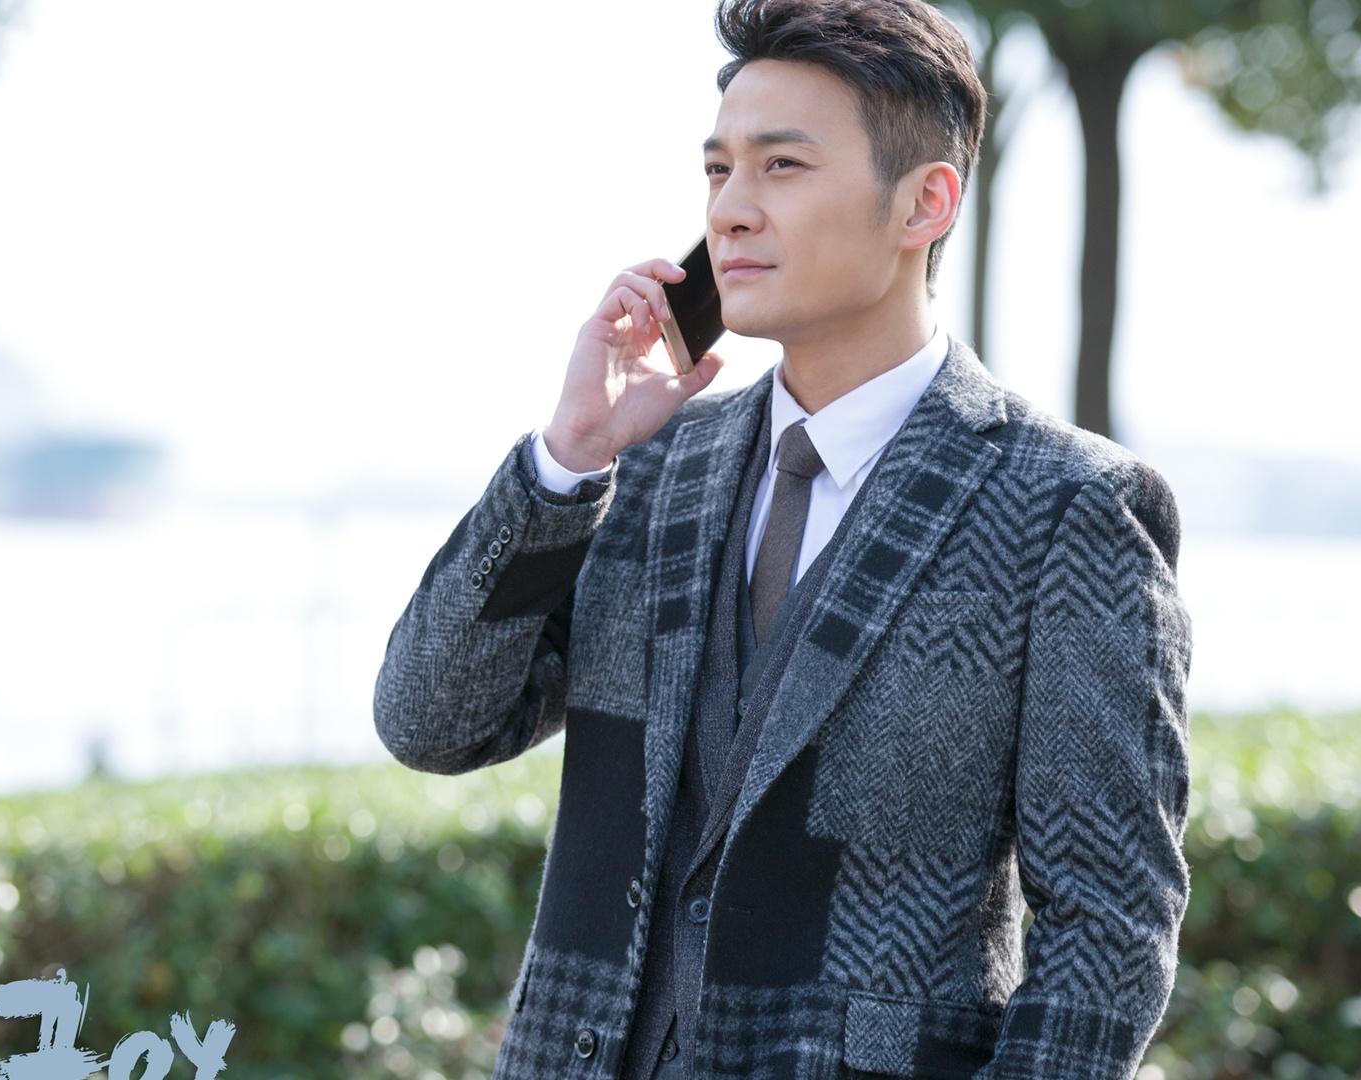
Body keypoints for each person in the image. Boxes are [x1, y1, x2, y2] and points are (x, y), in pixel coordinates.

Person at [373, 1, 1191, 1075]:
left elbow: (1109, 928)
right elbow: (430, 722)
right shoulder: (644, 468)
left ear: (925, 203)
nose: (731, 211)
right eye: (718, 171)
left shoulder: (1066, 507)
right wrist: (567, 459)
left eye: (782, 167)